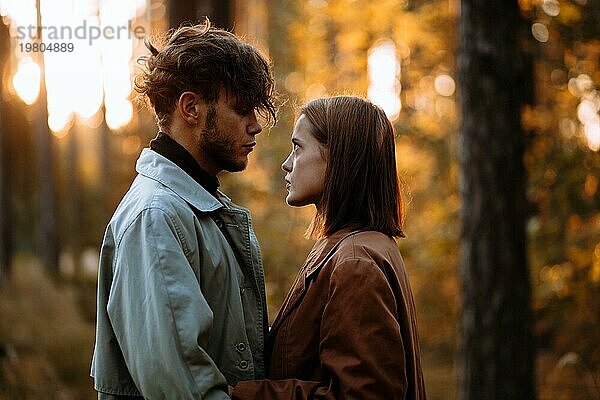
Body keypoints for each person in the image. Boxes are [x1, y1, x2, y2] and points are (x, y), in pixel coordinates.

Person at [91, 20, 276, 399]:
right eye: (241, 109)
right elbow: (184, 387)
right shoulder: (156, 217)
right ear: (190, 107)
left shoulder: (196, 209)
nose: (255, 126)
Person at [231, 96, 427, 399]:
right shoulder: (356, 247)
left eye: (298, 147)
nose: (287, 163)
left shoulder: (355, 262)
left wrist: (243, 394)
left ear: (337, 157)